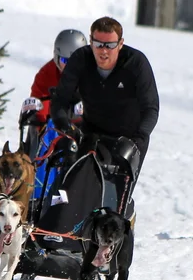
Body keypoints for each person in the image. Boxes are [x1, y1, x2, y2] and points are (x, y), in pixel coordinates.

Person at [50, 16, 160, 215]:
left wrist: (139, 137)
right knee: (75, 183)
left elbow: (151, 108)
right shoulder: (81, 59)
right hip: (92, 131)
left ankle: (121, 221)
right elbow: (61, 98)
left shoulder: (136, 63)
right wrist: (65, 126)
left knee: (114, 197)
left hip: (129, 137)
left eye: (110, 45)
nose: (104, 51)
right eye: (99, 44)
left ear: (120, 44)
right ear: (90, 42)